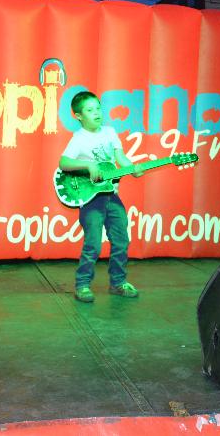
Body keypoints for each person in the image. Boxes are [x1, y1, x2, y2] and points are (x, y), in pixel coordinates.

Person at [59, 91, 143, 303]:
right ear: (79, 116)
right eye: (90, 110)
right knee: (93, 244)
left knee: (121, 240)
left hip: (112, 196)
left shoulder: (109, 132)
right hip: (91, 200)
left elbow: (120, 157)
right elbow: (64, 163)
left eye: (98, 108)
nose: (96, 112)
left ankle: (118, 283)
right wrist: (88, 165)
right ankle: (82, 285)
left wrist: (133, 168)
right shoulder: (79, 139)